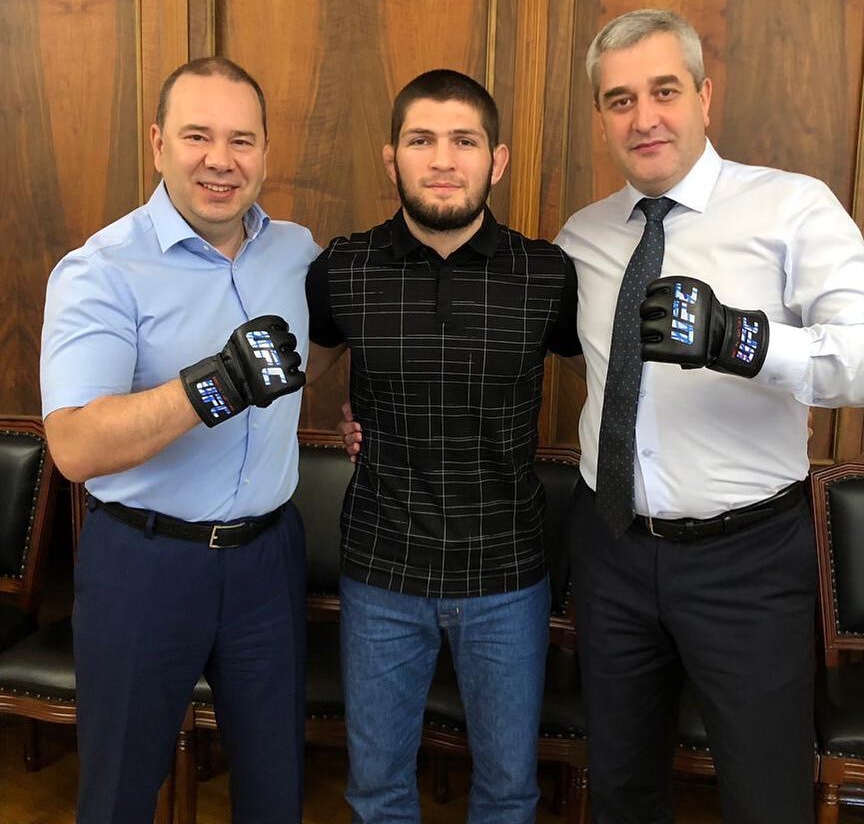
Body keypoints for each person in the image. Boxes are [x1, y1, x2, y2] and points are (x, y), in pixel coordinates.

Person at [555, 9, 864, 824]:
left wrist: (742, 340)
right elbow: (575, 359)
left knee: (765, 797)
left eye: (664, 91)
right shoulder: (582, 236)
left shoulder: (790, 207)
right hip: (610, 547)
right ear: (601, 116)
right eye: (619, 100)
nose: (643, 118)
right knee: (619, 790)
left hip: (746, 561)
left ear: (704, 97)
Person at [40, 57, 318, 824]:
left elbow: (312, 353)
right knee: (119, 796)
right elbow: (74, 445)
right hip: (145, 563)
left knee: (275, 791)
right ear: (159, 142)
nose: (220, 159)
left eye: (241, 140)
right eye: (198, 136)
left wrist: (356, 410)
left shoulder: (296, 251)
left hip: (267, 558)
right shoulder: (101, 269)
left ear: (265, 152)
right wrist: (211, 386)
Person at [305, 69, 581, 824]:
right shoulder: (344, 267)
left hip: (507, 576)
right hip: (381, 571)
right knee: (377, 791)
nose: (442, 160)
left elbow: (619, 383)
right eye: (421, 140)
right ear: (390, 157)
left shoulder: (546, 274)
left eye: (464, 141)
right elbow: (293, 374)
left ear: (497, 159)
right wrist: (341, 414)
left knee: (508, 793)